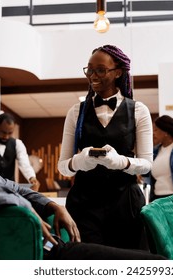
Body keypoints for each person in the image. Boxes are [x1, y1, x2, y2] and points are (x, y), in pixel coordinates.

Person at [0, 84, 166, 260]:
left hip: (40, 245)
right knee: (156, 265)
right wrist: (24, 208)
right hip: (39, 252)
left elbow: (11, 185)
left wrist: (51, 206)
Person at [58, 45, 153, 250]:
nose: (93, 75)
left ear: (118, 72)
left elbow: (146, 164)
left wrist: (122, 162)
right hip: (84, 204)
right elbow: (62, 166)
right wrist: (79, 161)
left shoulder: (138, 110)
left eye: (100, 70)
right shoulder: (76, 112)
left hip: (125, 203)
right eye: (89, 70)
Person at [0, 112, 41, 191]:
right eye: (3, 132)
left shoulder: (17, 144)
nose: (6, 136)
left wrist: (31, 177)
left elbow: (24, 163)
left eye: (10, 133)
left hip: (10, 189)